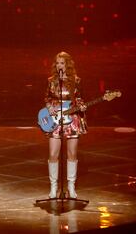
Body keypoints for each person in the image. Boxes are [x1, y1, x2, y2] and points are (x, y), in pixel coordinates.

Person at [44, 51, 87, 199]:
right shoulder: (51, 81)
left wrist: (81, 106)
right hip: (56, 120)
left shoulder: (76, 81)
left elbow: (80, 98)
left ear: (67, 65)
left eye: (62, 63)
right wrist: (50, 108)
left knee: (72, 154)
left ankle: (71, 186)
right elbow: (47, 98)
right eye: (57, 63)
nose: (59, 65)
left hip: (72, 118)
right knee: (53, 154)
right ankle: (53, 186)